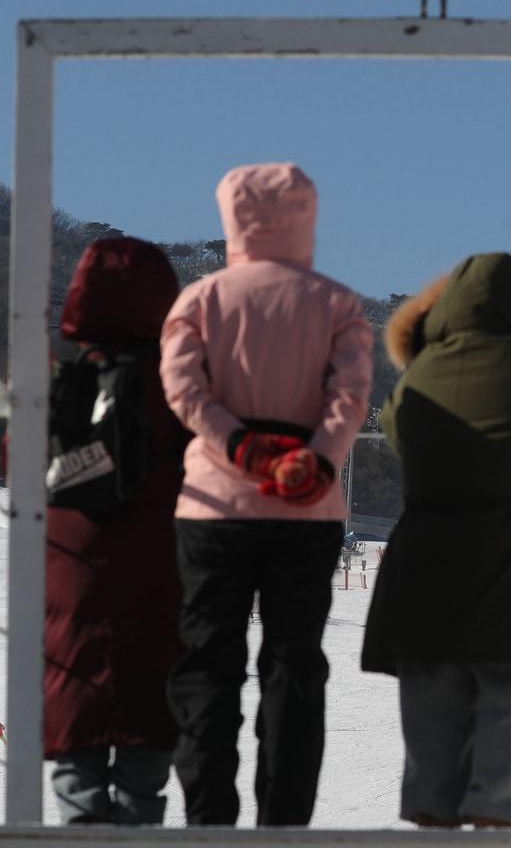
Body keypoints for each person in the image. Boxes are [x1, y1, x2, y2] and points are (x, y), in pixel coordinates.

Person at [162, 163, 373, 827]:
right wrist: (314, 461)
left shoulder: (200, 299)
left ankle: (208, 821)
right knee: (293, 667)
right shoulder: (337, 303)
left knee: (206, 667)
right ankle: (284, 826)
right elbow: (351, 398)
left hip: (214, 506)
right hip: (304, 508)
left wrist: (239, 447)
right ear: (308, 215)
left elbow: (184, 392)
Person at [360, 253, 511, 830]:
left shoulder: (417, 379)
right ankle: (500, 827)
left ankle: (433, 822)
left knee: (433, 716)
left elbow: (402, 443)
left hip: (426, 569)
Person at [38, 238, 188, 825]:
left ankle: (79, 830)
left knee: (74, 700)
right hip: (159, 562)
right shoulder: (176, 378)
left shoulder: (59, 368)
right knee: (146, 731)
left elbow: (18, 454)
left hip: (68, 560)